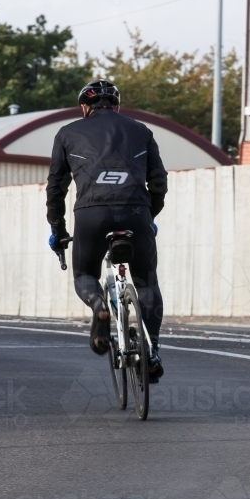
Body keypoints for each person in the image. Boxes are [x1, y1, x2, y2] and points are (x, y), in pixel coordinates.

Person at [46, 80, 167, 381]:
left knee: (85, 275)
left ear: (85, 108)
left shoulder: (67, 133)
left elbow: (56, 187)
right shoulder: (141, 131)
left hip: (90, 214)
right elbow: (159, 180)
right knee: (147, 282)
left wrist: (57, 228)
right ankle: (151, 353)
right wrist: (149, 214)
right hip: (135, 210)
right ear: (117, 106)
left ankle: (99, 303)